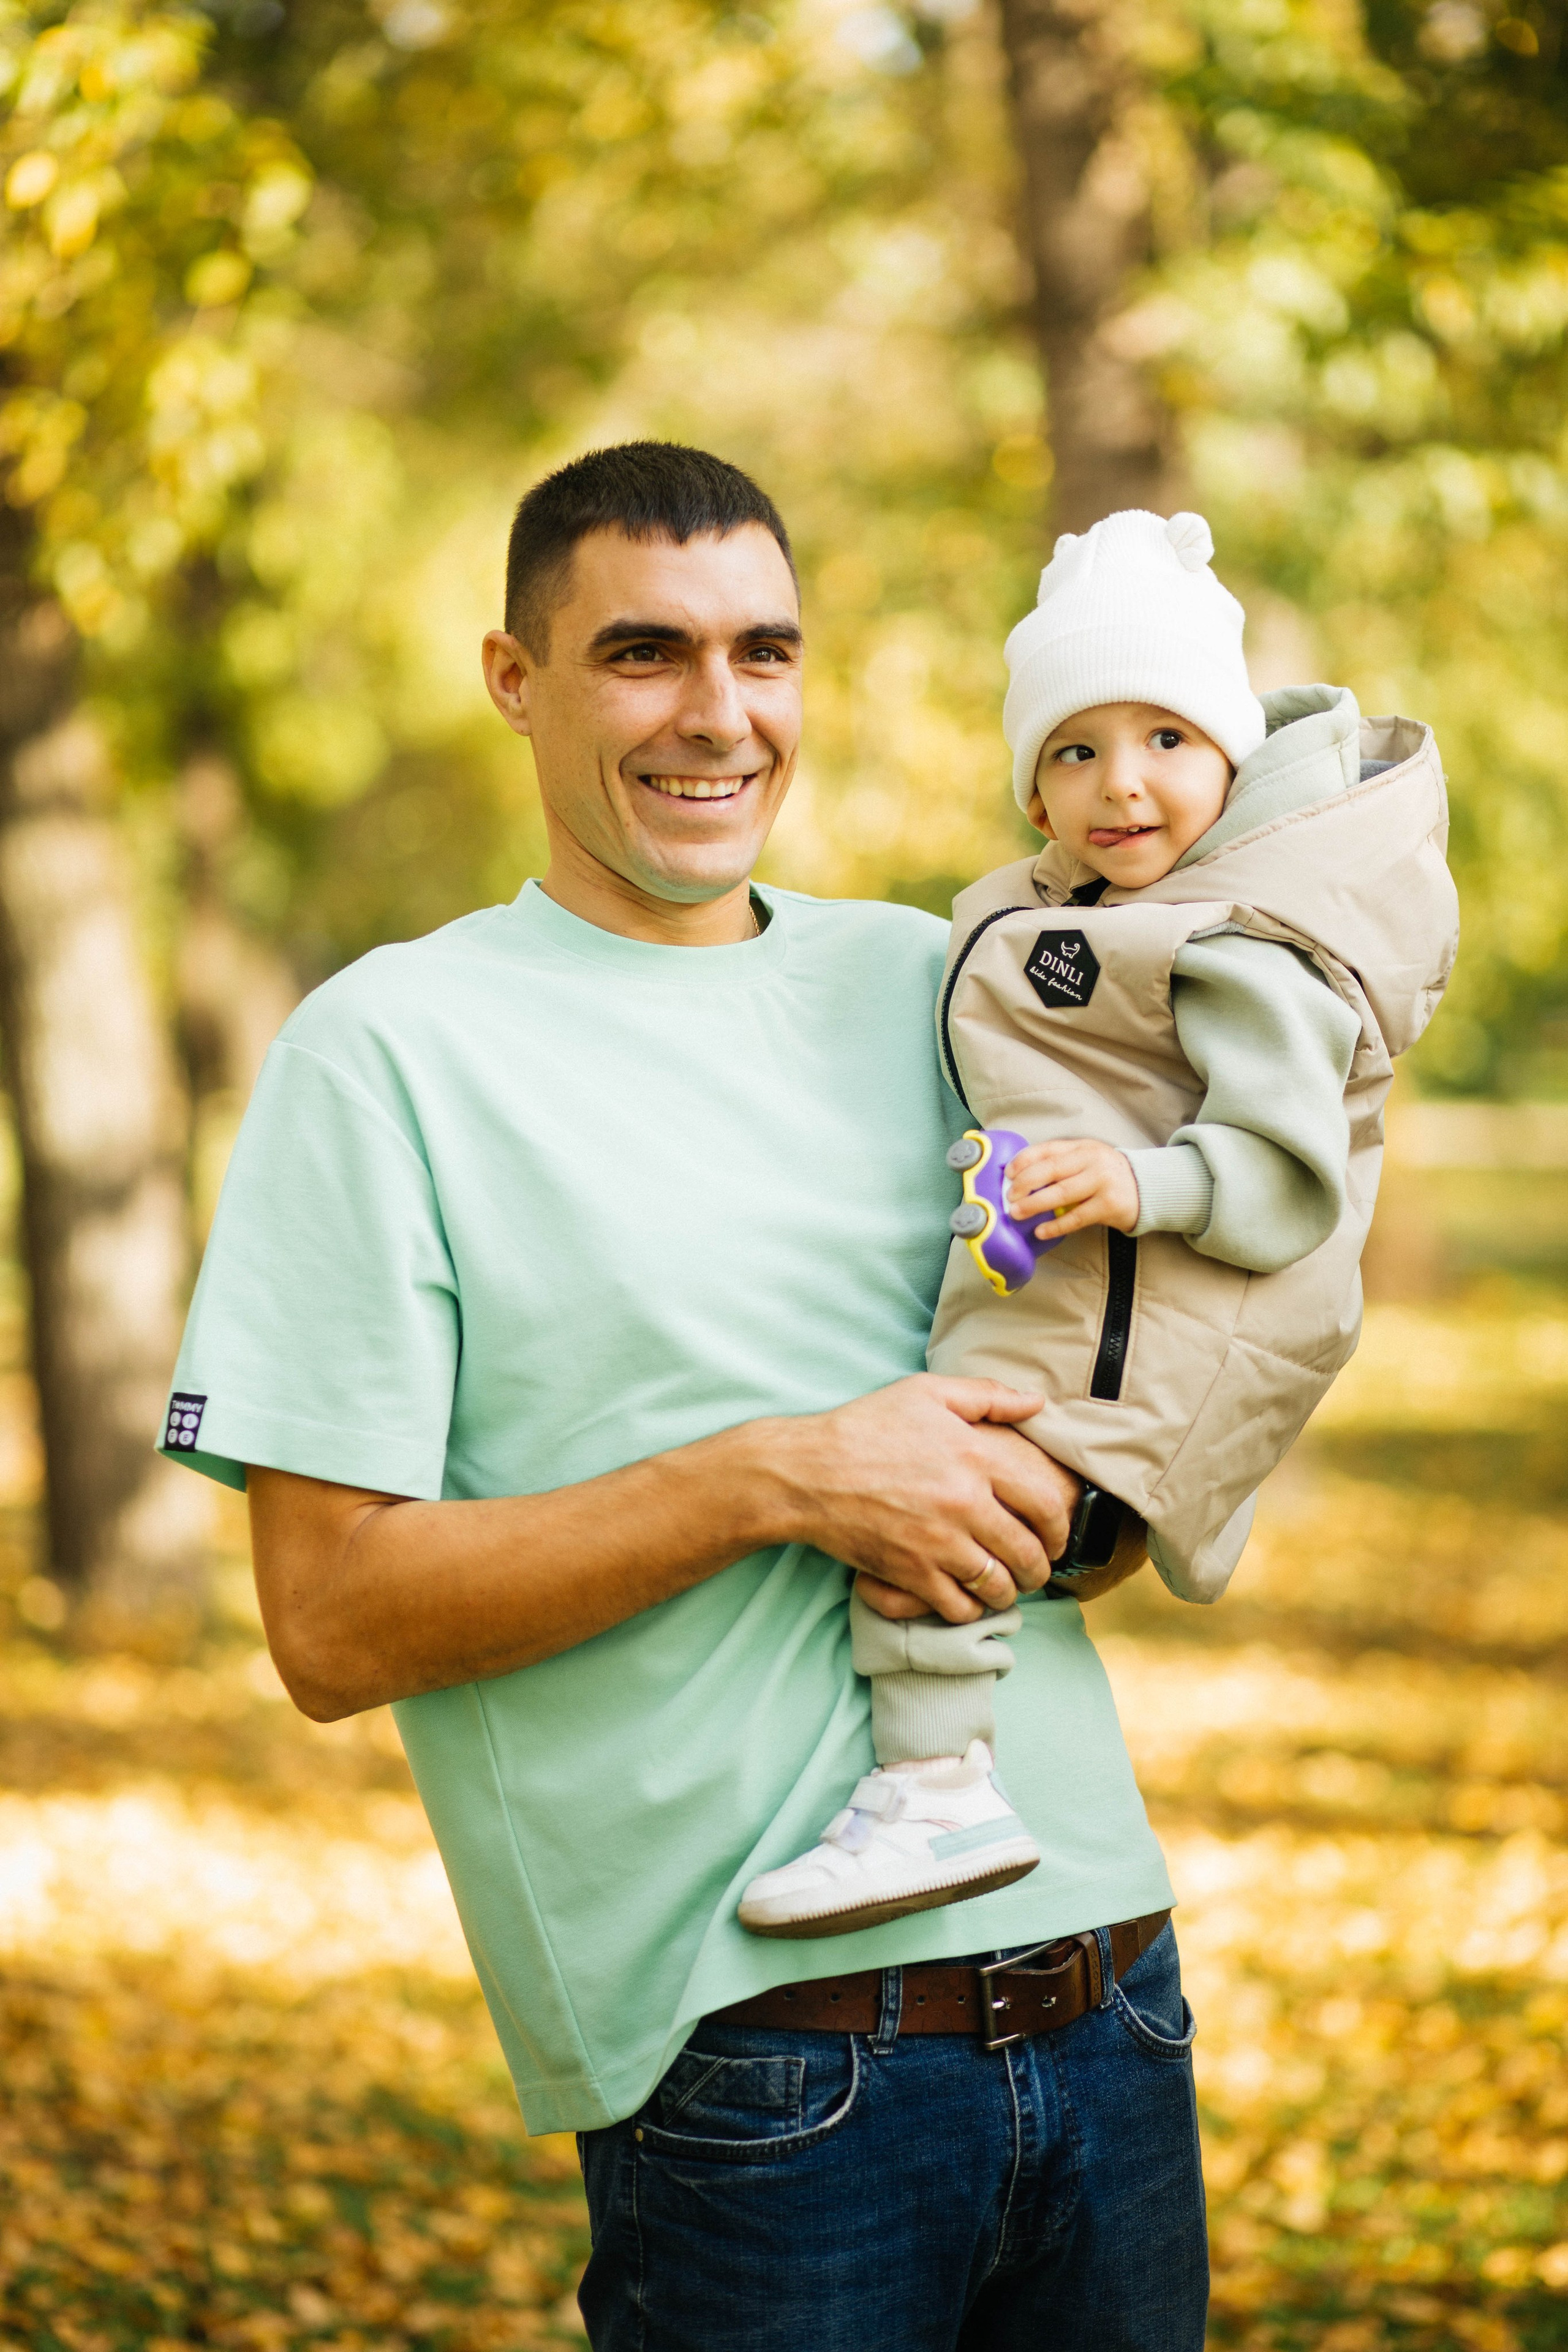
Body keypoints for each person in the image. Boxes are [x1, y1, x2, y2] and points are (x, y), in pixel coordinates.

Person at [158, 443, 1207, 2352]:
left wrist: (1089, 1499)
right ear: (514, 676)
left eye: (764, 653)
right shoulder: (389, 1051)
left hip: (1114, 1993)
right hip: (765, 2077)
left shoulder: (943, 982)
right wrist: (782, 1478)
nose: (718, 716)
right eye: (643, 654)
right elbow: (327, 1624)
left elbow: (1089, 1408)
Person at [740, 508, 1457, 1943]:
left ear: (1231, 758)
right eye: (1073, 752)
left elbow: (1281, 1178)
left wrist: (1140, 1185)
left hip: (1143, 1348)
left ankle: (932, 1789)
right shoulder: (1126, 917)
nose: (1118, 787)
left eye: (1164, 744)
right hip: (1087, 1312)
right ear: (1031, 791)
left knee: (930, 1517)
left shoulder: (1243, 947)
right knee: (943, 1494)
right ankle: (935, 1779)